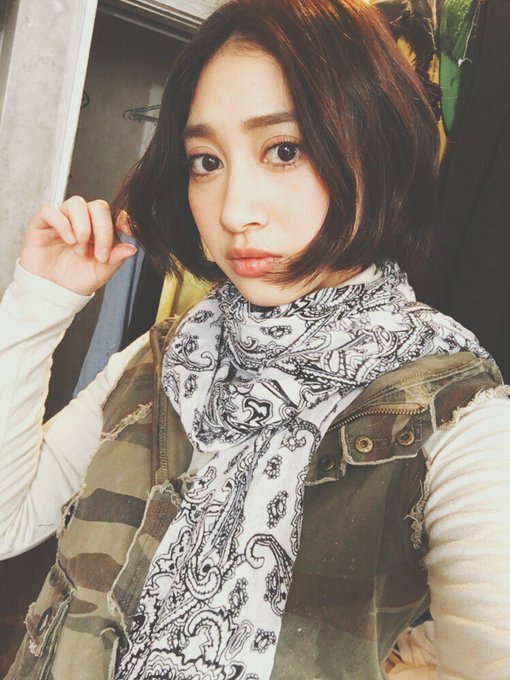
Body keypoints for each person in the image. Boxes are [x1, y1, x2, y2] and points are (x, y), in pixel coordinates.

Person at [1, 0, 509, 678]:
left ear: (376, 145)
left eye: (284, 150)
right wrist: (41, 298)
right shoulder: (162, 359)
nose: (234, 210)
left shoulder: (454, 414)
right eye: (206, 161)